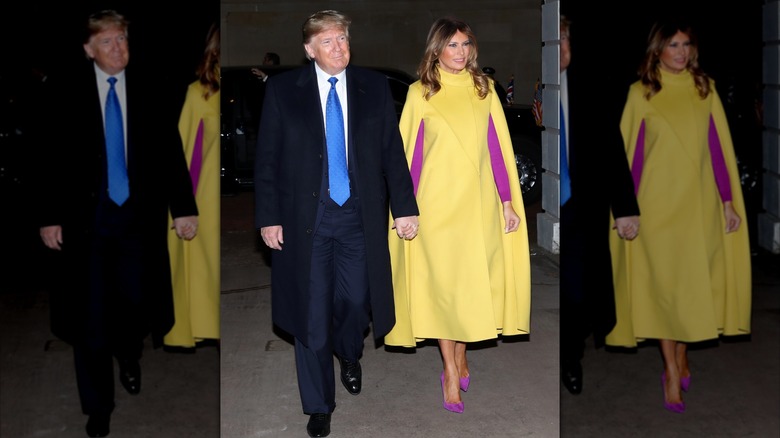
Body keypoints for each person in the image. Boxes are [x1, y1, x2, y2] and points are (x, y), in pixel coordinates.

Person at [254, 10, 419, 438]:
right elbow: (267, 158)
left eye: (342, 39)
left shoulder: (373, 87)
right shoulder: (283, 90)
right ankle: (319, 405)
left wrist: (405, 207)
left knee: (355, 303)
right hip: (304, 221)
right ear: (309, 50)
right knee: (310, 314)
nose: (338, 48)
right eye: (327, 41)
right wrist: (269, 217)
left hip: (358, 219)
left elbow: (392, 153)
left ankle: (348, 351)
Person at [36, 10, 198, 437]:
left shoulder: (150, 86)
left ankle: (128, 350)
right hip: (87, 222)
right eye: (107, 41)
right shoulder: (64, 90)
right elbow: (48, 158)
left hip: (138, 219)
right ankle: (98, 406)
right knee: (90, 316)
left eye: (122, 39)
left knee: (135, 303)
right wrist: (49, 216)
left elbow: (170, 152)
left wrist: (184, 207)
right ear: (89, 49)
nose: (118, 48)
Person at [383, 16, 531, 414]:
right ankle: (450, 370)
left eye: (466, 44)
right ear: (436, 50)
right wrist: (405, 210)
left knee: (469, 287)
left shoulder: (485, 89)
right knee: (445, 290)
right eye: (452, 45)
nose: (460, 52)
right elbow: (410, 158)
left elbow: (497, 149)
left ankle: (461, 354)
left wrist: (506, 202)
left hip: (478, 207)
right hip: (436, 208)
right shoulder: (420, 93)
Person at [606, 19, 752, 413]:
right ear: (657, 50)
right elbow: (631, 158)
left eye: (686, 44)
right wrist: (627, 211)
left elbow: (718, 150)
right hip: (656, 209)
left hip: (699, 208)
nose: (681, 52)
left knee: (690, 289)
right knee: (665, 291)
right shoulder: (641, 92)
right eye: (673, 45)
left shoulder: (705, 89)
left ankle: (682, 354)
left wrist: (727, 202)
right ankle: (671, 370)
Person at [558, 14, 640, 395]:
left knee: (577, 291)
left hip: (580, 206)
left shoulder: (590, 86)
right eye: (553, 39)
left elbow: (612, 148)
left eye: (565, 38)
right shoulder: (530, 88)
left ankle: (570, 356)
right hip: (542, 207)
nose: (561, 47)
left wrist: (625, 207)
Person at [163, 23, 221, 353]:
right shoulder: (199, 93)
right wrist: (183, 210)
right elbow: (185, 158)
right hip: (206, 205)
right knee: (206, 283)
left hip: (229, 201)